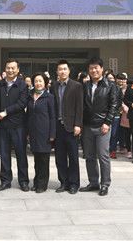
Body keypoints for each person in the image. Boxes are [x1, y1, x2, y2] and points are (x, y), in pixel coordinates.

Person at [79, 57, 119, 197]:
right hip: (87, 126)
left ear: (102, 69)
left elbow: (114, 105)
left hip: (102, 126)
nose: (94, 70)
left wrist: (107, 122)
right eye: (91, 68)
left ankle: (105, 184)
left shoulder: (110, 85)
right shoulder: (85, 85)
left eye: (96, 68)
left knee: (103, 156)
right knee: (89, 156)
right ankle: (93, 182)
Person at [0, 58, 30, 192]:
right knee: (4, 154)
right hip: (2, 125)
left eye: (13, 68)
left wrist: (6, 112)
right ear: (5, 69)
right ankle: (5, 181)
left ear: (18, 70)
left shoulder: (22, 85)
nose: (10, 70)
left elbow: (22, 103)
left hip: (18, 125)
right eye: (8, 68)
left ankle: (23, 181)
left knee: (21, 154)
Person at [51, 60, 83, 194]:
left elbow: (80, 107)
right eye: (60, 69)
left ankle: (74, 184)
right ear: (57, 72)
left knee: (73, 157)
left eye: (65, 69)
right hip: (58, 127)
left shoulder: (76, 86)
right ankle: (63, 182)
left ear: (69, 71)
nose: (62, 71)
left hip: (71, 127)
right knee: (60, 157)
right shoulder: (54, 86)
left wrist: (78, 124)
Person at [27, 73, 56, 193]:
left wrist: (52, 134)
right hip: (33, 132)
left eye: (40, 81)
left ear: (45, 83)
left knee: (44, 160)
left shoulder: (49, 97)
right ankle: (36, 181)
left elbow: (53, 117)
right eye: (36, 81)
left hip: (45, 133)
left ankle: (42, 185)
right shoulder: (30, 96)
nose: (38, 83)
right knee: (36, 160)